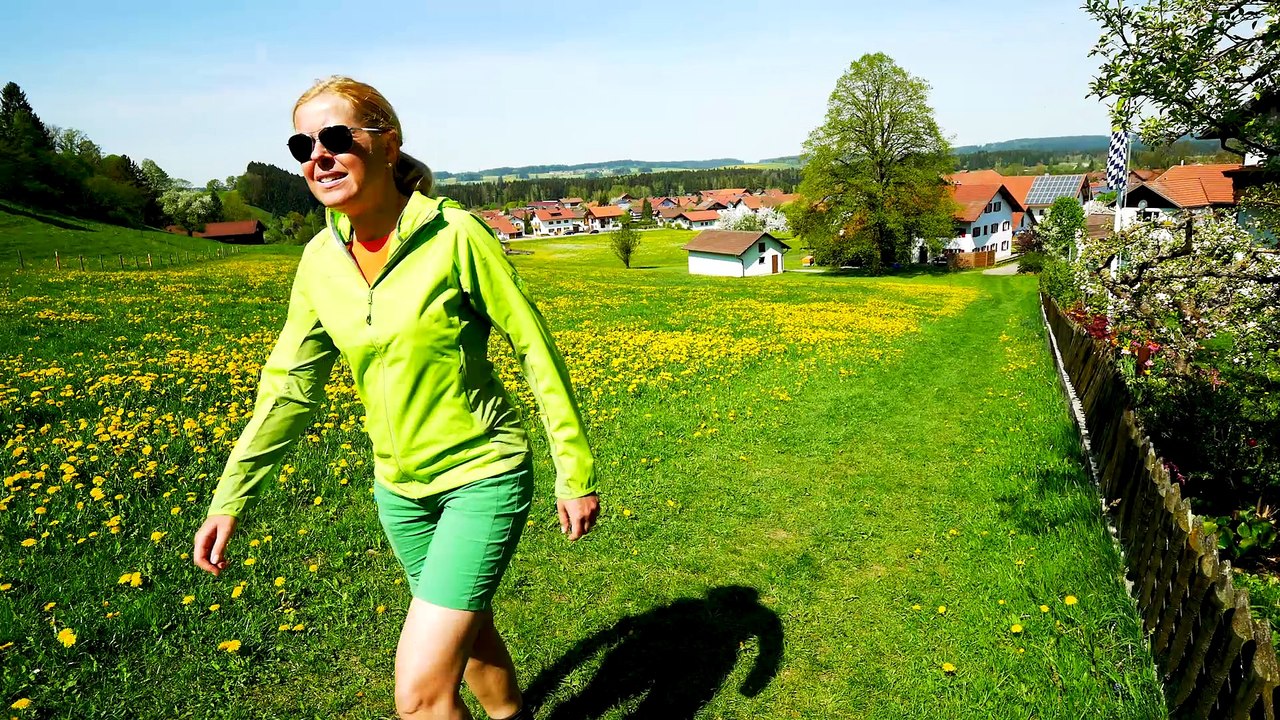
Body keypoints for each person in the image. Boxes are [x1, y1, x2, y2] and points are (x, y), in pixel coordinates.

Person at [193, 76, 599, 720]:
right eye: (303, 145)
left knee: (418, 696)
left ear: (388, 145)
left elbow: (534, 348)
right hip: (399, 493)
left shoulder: (455, 236)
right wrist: (231, 496)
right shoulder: (319, 261)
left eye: (334, 138)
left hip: (481, 475)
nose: (317, 156)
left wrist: (572, 471)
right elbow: (288, 390)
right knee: (468, 643)